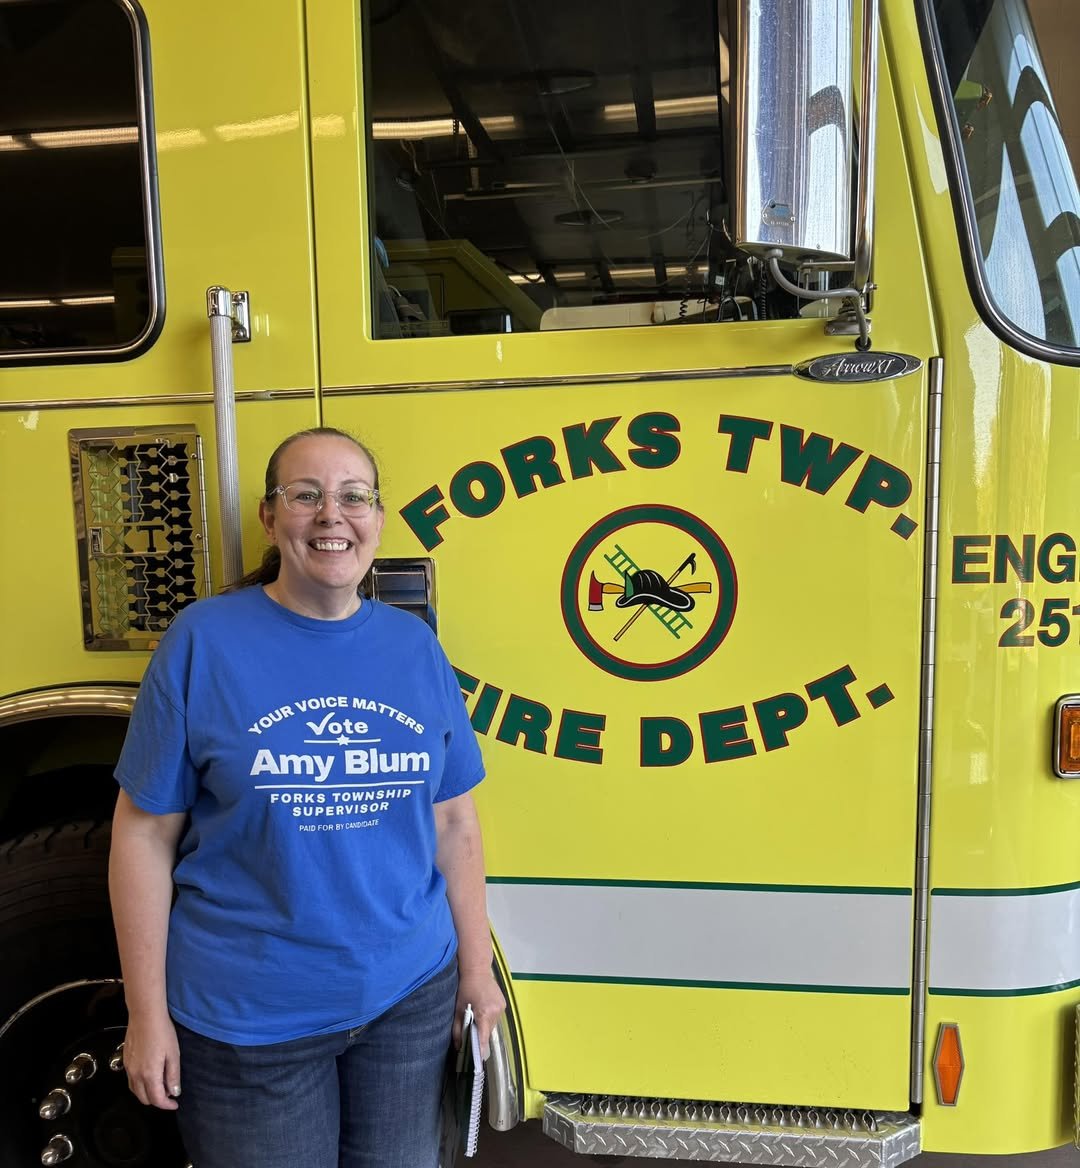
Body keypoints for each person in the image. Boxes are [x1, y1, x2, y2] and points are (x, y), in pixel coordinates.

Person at [108, 426, 505, 1168]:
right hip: (248, 1019)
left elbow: (454, 823)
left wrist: (476, 975)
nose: (332, 516)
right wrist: (145, 1014)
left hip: (406, 1000)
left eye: (354, 497)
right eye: (306, 495)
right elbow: (141, 836)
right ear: (270, 516)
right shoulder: (203, 642)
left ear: (378, 521)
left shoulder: (413, 647)